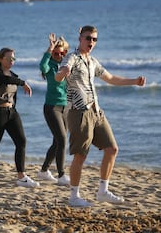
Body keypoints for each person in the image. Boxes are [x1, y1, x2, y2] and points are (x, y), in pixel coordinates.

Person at [55, 25, 146, 207]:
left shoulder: (92, 61)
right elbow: (60, 74)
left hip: (96, 111)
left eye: (94, 39)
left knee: (112, 149)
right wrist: (61, 74)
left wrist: (134, 82)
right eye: (88, 38)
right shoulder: (72, 58)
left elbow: (111, 79)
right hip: (79, 112)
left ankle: (103, 191)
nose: (91, 42)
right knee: (80, 155)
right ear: (80, 38)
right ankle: (74, 196)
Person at [0, 47, 39, 188]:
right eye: (9, 58)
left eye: (13, 58)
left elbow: (13, 92)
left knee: (21, 141)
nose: (12, 61)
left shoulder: (13, 74)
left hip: (11, 113)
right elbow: (5, 79)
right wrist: (23, 82)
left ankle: (21, 176)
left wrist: (13, 107)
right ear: (0, 59)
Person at [37, 33, 70, 186]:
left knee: (58, 142)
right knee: (62, 139)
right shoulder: (49, 66)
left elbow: (81, 58)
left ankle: (44, 171)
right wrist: (49, 50)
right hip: (52, 107)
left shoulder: (68, 65)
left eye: (61, 53)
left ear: (65, 53)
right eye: (56, 53)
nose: (58, 55)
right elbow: (41, 66)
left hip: (66, 107)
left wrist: (81, 39)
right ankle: (62, 175)